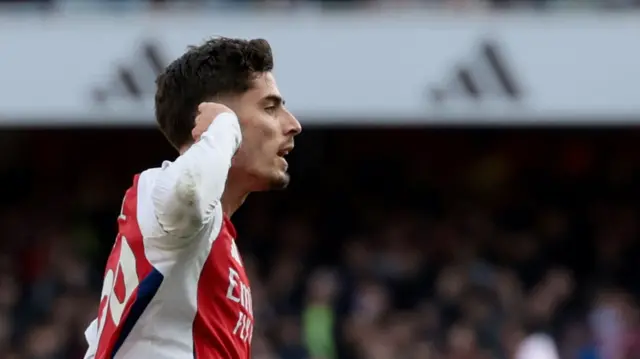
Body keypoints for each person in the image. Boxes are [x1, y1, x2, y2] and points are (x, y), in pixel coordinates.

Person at [83, 37, 302, 359]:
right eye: (270, 107)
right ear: (210, 118)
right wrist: (225, 126)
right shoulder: (157, 189)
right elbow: (189, 193)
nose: (292, 124)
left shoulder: (211, 242)